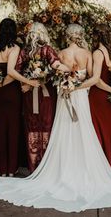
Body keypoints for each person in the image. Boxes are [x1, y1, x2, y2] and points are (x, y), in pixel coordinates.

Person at [0, 23, 111, 212]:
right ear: (80, 36)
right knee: (83, 131)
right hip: (79, 96)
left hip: (65, 95)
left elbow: (56, 71)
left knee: (63, 131)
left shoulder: (61, 53)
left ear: (68, 36)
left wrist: (66, 84)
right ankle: (85, 171)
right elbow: (91, 78)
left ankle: (62, 171)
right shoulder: (87, 54)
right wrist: (77, 85)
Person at [15, 22, 69, 173]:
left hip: (31, 94)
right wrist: (72, 71)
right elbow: (56, 65)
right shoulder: (47, 50)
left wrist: (26, 83)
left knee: (33, 126)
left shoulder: (25, 51)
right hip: (45, 95)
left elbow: (17, 70)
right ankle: (45, 167)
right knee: (46, 125)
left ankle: (34, 167)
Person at [0, 18, 39, 177]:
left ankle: (1, 168)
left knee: (0, 127)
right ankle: (11, 168)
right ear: (14, 31)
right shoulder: (15, 48)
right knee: (13, 128)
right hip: (11, 91)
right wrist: (29, 81)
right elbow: (11, 70)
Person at [87, 24, 111, 176]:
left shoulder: (97, 53)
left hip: (99, 96)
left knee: (99, 132)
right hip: (107, 98)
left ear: (96, 36)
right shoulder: (109, 52)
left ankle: (100, 172)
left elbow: (97, 80)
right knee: (106, 131)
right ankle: (109, 169)